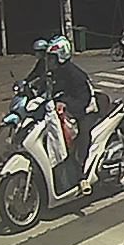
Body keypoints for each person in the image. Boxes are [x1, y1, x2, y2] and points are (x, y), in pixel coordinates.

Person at [43, 35, 99, 193]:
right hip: (65, 111)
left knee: (81, 136)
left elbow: (83, 99)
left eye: (52, 58)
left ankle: (82, 174)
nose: (49, 61)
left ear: (60, 56)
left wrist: (66, 104)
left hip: (86, 110)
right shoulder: (54, 73)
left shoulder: (75, 74)